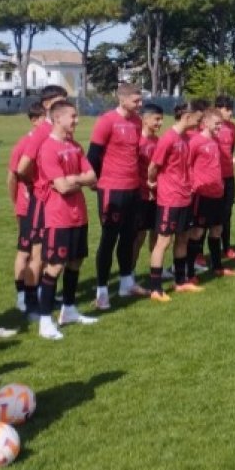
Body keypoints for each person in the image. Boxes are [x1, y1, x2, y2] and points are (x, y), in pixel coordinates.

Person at [36, 100, 98, 340]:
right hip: (58, 217)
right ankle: (45, 320)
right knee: (55, 267)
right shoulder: (48, 149)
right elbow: (61, 187)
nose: (77, 120)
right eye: (72, 116)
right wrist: (78, 179)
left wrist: (75, 179)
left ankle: (69, 310)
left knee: (75, 263)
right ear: (58, 118)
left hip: (79, 214)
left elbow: (92, 175)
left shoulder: (74, 146)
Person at [87, 83, 147, 310]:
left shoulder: (137, 122)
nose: (139, 105)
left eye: (140, 100)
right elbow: (93, 155)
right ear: (122, 99)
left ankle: (126, 283)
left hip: (133, 188)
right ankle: (102, 291)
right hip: (112, 188)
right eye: (136, 101)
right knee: (109, 239)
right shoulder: (106, 121)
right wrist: (95, 180)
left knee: (129, 237)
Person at [15, 85, 69, 323]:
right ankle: (30, 303)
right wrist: (35, 184)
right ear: (47, 105)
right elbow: (21, 168)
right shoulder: (41, 132)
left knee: (49, 253)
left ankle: (43, 294)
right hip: (42, 201)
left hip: (57, 202)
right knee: (37, 254)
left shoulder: (61, 130)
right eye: (60, 101)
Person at [146, 101, 205, 302]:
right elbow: (153, 166)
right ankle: (155, 288)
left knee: (183, 239)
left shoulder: (185, 139)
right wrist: (153, 184)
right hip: (169, 199)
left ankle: (180, 282)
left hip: (184, 198)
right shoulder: (168, 139)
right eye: (197, 119)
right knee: (163, 241)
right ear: (186, 117)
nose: (199, 122)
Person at [1, 103, 46, 337]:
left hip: (42, 205)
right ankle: (22, 295)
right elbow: (13, 176)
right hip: (27, 206)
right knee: (25, 251)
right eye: (44, 117)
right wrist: (15, 203)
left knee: (41, 252)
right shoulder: (24, 143)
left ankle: (38, 292)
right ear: (35, 119)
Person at [187, 109, 235, 278]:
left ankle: (217, 267)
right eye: (217, 123)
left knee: (217, 229)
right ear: (206, 123)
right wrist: (193, 186)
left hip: (218, 193)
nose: (220, 127)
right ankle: (190, 271)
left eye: (221, 124)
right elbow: (187, 165)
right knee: (198, 232)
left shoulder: (215, 141)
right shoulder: (196, 141)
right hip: (202, 194)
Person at [132, 103, 164, 274]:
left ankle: (156, 268)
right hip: (141, 196)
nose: (160, 123)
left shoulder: (158, 141)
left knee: (157, 234)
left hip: (158, 195)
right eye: (156, 119)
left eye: (161, 120)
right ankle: (129, 272)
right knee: (138, 237)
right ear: (144, 119)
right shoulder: (137, 142)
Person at [215, 95, 235, 261]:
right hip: (213, 178)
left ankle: (226, 248)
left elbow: (230, 150)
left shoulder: (232, 127)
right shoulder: (206, 127)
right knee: (209, 216)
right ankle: (199, 254)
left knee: (227, 214)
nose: (231, 112)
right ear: (218, 109)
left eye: (231, 109)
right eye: (227, 109)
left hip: (228, 177)